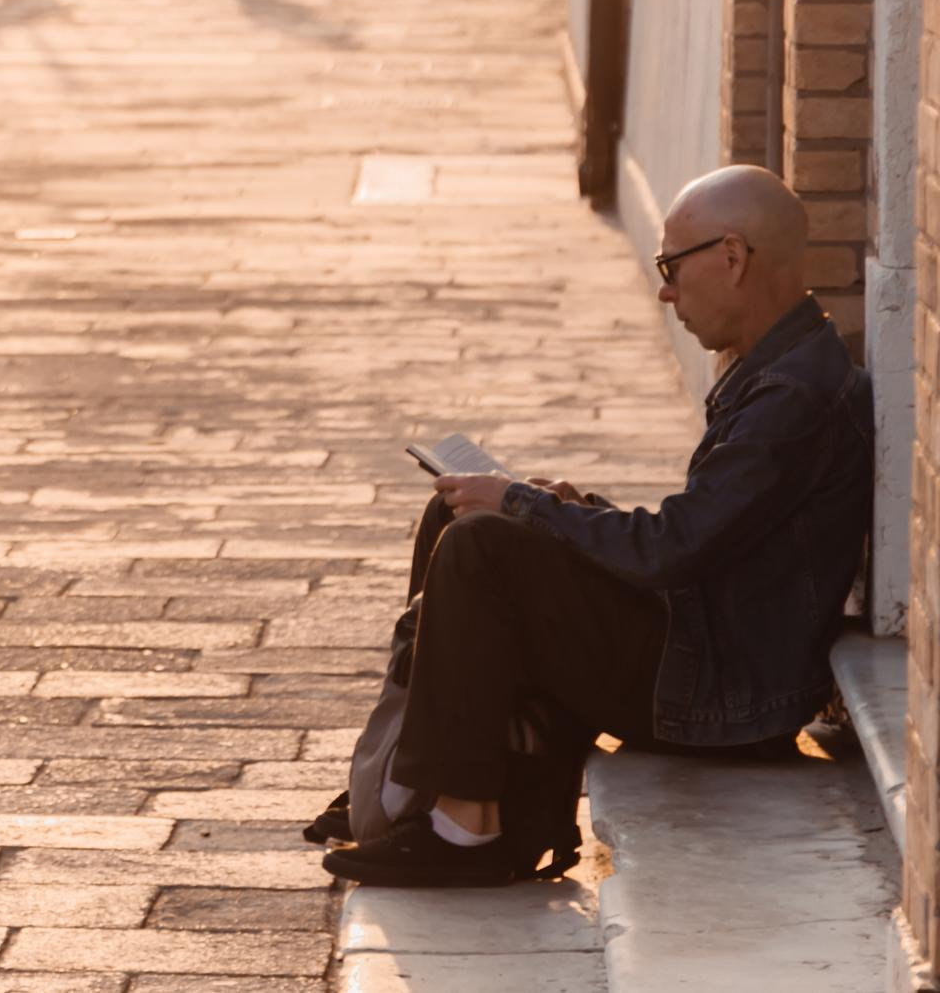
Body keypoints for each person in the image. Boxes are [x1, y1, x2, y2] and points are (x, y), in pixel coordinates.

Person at [327, 164, 874, 888]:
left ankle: (463, 830)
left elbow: (673, 548)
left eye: (672, 267)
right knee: (457, 507)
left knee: (481, 543)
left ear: (733, 258)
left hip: (721, 692)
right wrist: (572, 507)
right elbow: (704, 535)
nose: (665, 289)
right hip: (700, 641)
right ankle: (409, 779)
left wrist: (527, 504)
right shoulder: (778, 366)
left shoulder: (791, 395)